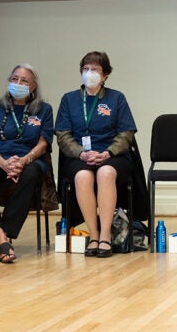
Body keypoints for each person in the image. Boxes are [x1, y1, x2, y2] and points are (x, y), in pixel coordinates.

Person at [55, 51, 137, 257]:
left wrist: (108, 153)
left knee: (105, 173)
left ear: (105, 75)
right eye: (85, 69)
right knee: (82, 176)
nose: (89, 73)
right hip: (79, 157)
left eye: (95, 70)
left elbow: (126, 133)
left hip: (112, 156)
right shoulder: (69, 99)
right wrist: (81, 154)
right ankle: (93, 235)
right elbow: (63, 135)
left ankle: (106, 235)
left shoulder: (116, 98)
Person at [0, 64, 54, 263]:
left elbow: (44, 143)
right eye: (14, 79)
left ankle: (1, 238)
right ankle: (2, 236)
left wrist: (24, 161)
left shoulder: (44, 110)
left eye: (24, 81)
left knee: (33, 174)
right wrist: (3, 163)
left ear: (33, 86)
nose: (18, 83)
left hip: (28, 160)